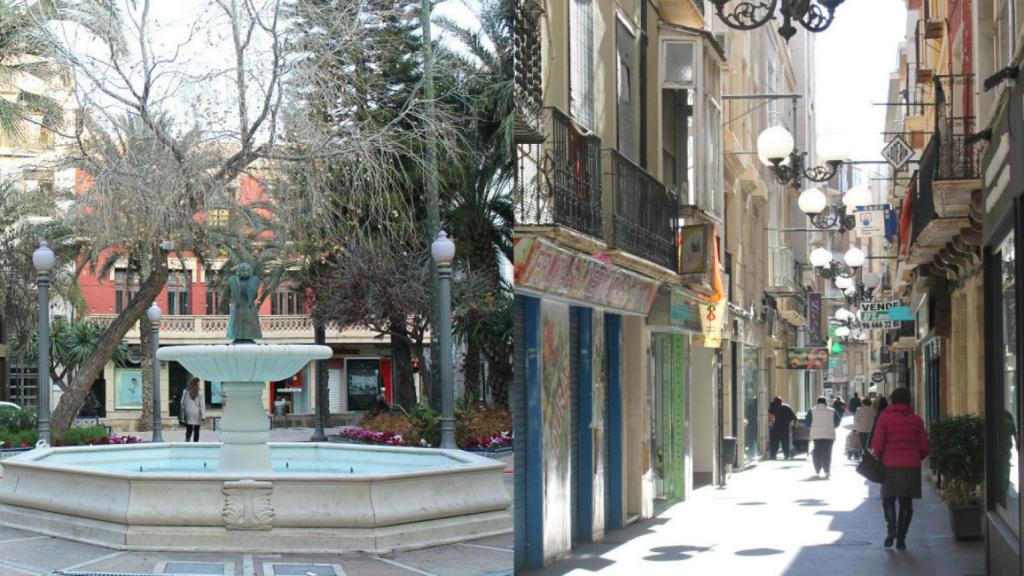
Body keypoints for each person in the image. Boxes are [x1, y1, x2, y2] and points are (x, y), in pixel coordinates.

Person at [870, 387, 929, 550]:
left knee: (888, 499)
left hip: (889, 465)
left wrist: (879, 456)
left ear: (892, 400)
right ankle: (901, 538)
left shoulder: (884, 418)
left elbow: (877, 444)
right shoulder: (917, 420)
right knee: (906, 503)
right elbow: (925, 446)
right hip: (910, 466)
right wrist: (917, 457)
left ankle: (892, 529)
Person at [806, 396, 839, 478]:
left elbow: (807, 423)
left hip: (816, 435)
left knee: (817, 451)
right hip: (829, 435)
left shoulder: (812, 411)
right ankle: (827, 470)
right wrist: (832, 426)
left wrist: (812, 428)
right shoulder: (832, 411)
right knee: (828, 452)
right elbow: (837, 421)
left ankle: (817, 468)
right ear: (825, 402)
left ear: (817, 402)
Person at [180, 378, 206, 442]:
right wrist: (203, 416)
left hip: (188, 412)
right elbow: (202, 405)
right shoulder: (200, 392)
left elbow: (181, 403)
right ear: (198, 383)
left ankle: (187, 440)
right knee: (197, 429)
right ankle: (195, 443)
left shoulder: (185, 391)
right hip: (197, 413)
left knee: (189, 428)